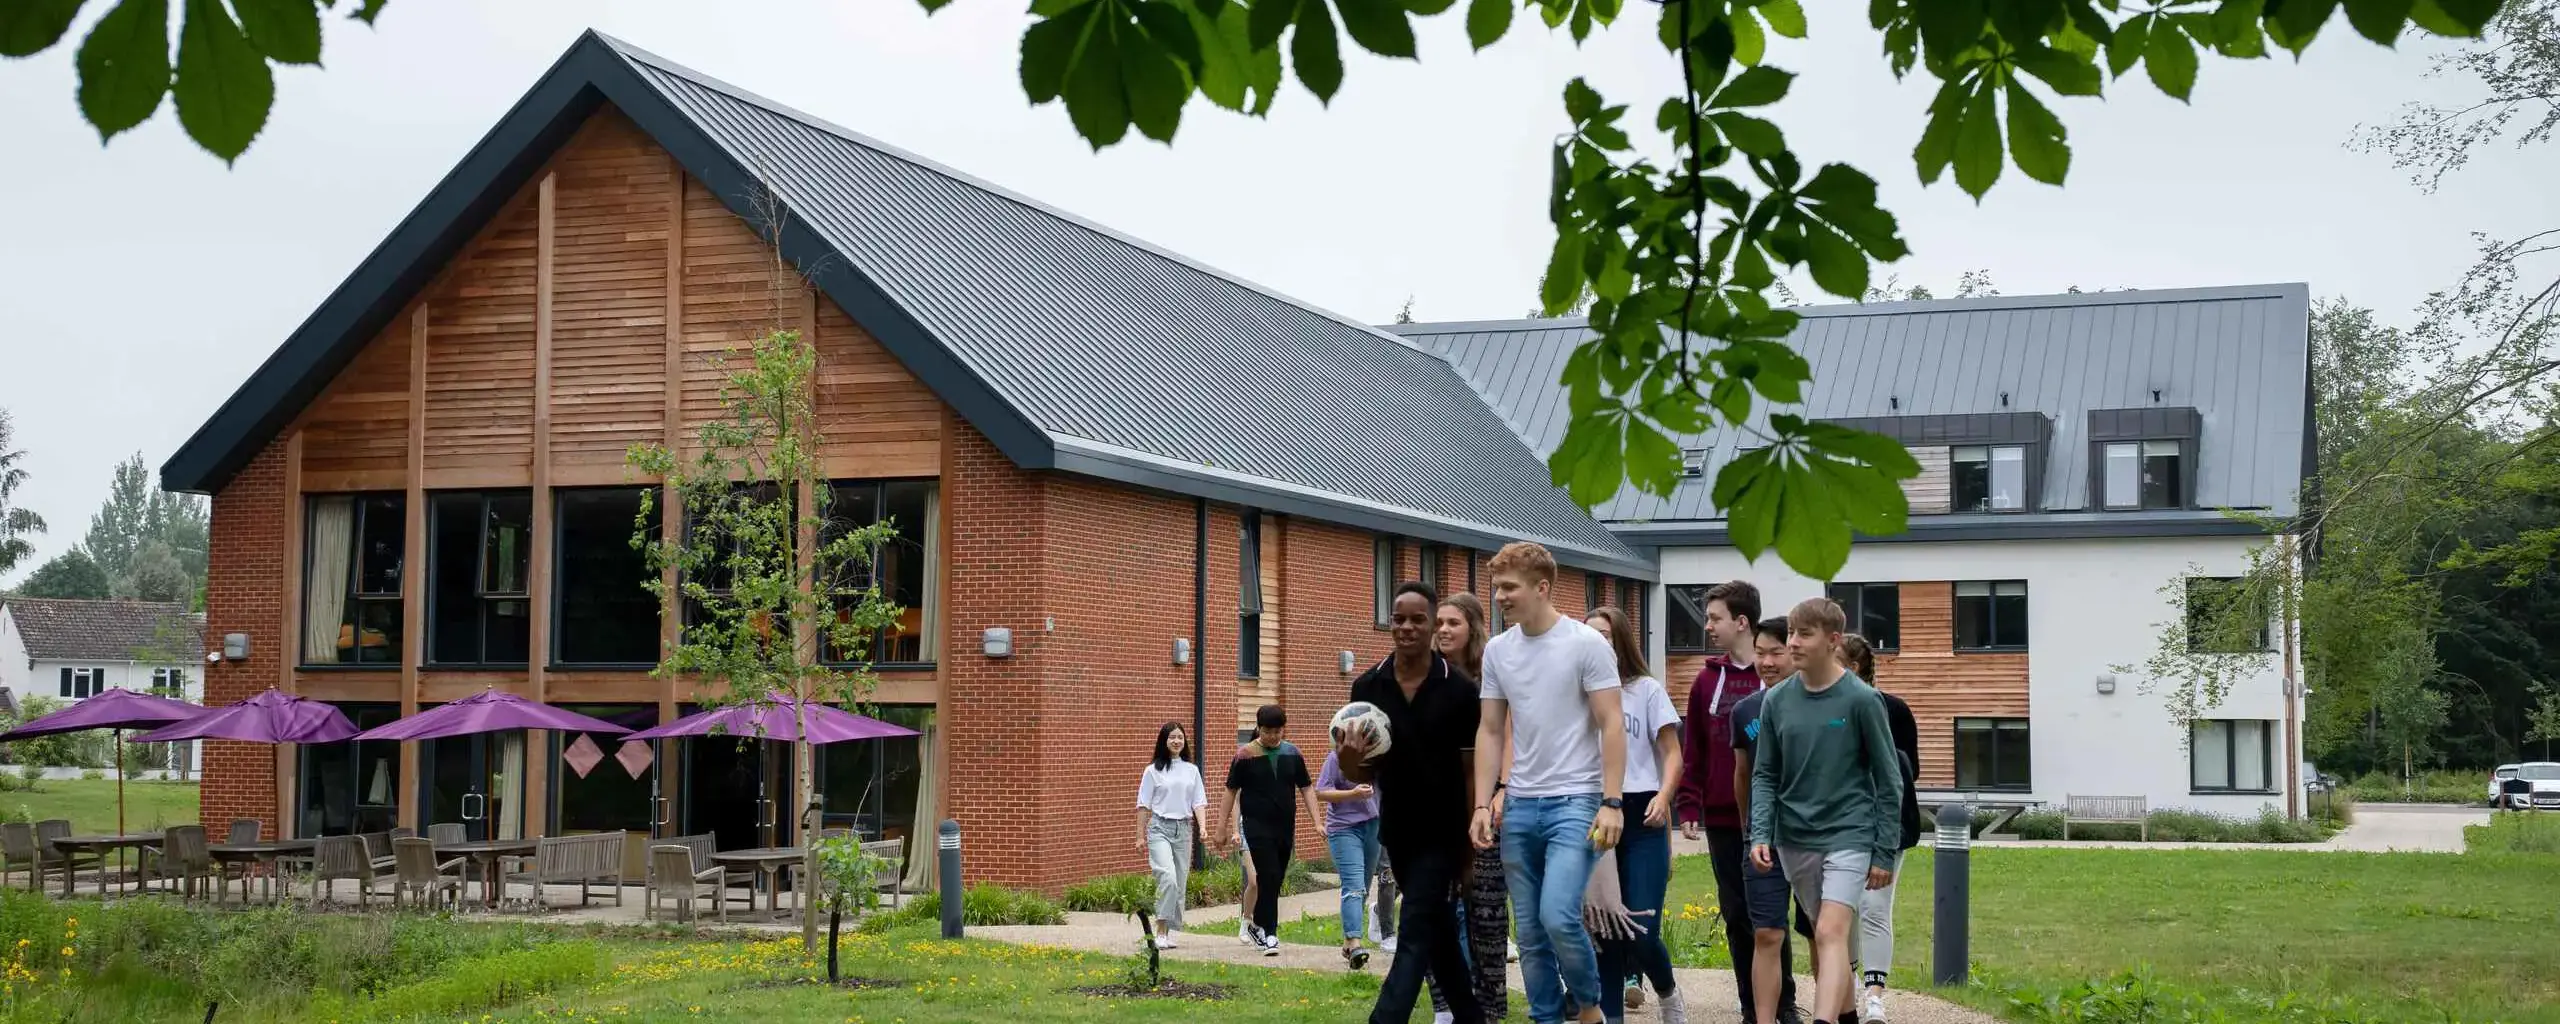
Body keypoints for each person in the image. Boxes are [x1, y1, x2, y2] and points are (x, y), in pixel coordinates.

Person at [1473, 542, 1627, 1024]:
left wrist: (1613, 801)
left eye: (1509, 588)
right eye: (1497, 588)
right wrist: (1482, 804)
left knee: (1558, 915)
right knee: (1533, 934)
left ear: (1542, 588)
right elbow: (1491, 729)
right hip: (1519, 805)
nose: (1499, 597)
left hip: (1577, 801)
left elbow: (1612, 723)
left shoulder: (1586, 644)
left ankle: (1588, 1005)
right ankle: (1546, 1018)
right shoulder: (1499, 651)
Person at [1749, 599, 1903, 1024]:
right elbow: (1764, 774)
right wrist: (1761, 832)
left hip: (1850, 833)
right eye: (1792, 633)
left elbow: (1890, 781)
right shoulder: (1776, 702)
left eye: (1804, 634)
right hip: (1794, 837)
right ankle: (1848, 1014)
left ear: (1833, 641)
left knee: (1831, 932)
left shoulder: (1862, 701)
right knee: (1825, 935)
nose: (1792, 643)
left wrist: (1883, 851)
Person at [1342, 581, 1486, 1024]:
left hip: (1444, 835)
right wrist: (1349, 762)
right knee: (1437, 934)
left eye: (1417, 619)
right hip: (1398, 833)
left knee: (1413, 932)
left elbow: (1469, 773)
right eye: (1398, 618)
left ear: (1431, 626)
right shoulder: (1369, 687)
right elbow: (1362, 774)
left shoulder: (1459, 689)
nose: (1406, 627)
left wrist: (1467, 851)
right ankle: (1472, 1017)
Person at [1674, 580, 1796, 1022]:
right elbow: (1696, 749)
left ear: (1741, 621)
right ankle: (1751, 1006)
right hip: (1726, 819)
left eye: (1715, 618)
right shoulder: (1707, 681)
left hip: (1787, 819)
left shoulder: (1785, 679)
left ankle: (1785, 1005)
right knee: (1739, 915)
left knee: (1777, 920)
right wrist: (1689, 804)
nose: (1708, 626)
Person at [1587, 605, 1687, 1024]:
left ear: (1621, 639)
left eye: (1605, 634)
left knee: (1642, 931)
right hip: (1593, 813)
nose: (1597, 641)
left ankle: (1666, 989)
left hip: (1643, 812)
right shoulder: (1577, 691)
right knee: (1607, 928)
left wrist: (1665, 797)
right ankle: (1612, 1016)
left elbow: (1672, 753)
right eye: (1589, 634)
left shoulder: (1645, 689)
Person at [1440, 590, 1512, 1021]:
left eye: (1453, 623)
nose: (1444, 631)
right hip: (1437, 810)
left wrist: (1500, 789)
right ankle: (1444, 1004)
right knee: (1436, 908)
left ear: (1474, 627)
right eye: (1439, 624)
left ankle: (1489, 1004)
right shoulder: (1426, 676)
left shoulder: (1494, 673)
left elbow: (1505, 734)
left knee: (1485, 912)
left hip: (1484, 807)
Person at [1839, 635, 1920, 1024]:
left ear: (1853, 667)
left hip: (1887, 827)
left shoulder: (1894, 711)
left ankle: (1875, 996)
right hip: (1840, 826)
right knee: (1844, 909)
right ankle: (1848, 983)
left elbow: (1908, 772)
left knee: (1874, 907)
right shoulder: (1825, 709)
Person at [1732, 617, 1804, 1024]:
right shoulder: (1745, 711)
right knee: (1766, 931)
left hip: (1815, 836)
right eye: (1760, 653)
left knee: (1820, 934)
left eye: (1776, 652)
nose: (1768, 661)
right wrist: (1750, 828)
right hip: (1763, 838)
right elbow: (1744, 774)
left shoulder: (1825, 703)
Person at [1225, 704, 1322, 956]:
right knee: (1266, 876)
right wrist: (1221, 827)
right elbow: (1231, 791)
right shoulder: (1244, 755)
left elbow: (1307, 788)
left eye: (1277, 731)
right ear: (1259, 728)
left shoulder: (1293, 753)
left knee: (1275, 879)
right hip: (1256, 826)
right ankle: (1270, 934)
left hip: (1284, 827)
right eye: (1268, 731)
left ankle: (1256, 925)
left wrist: (1317, 821)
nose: (1272, 736)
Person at [1136, 722, 1208, 949]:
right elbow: (1143, 805)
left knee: (1178, 883)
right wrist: (1139, 836)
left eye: (1180, 737)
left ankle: (1167, 932)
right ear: (1164, 741)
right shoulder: (1153, 770)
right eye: (1172, 737)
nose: (1176, 741)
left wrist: (1203, 827)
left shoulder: (1191, 770)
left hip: (1184, 830)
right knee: (1167, 877)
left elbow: (1198, 802)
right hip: (1159, 828)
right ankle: (1159, 931)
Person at [1317, 746, 1382, 970]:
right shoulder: (1336, 758)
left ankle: (1347, 943)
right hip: (1344, 829)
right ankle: (1355, 943)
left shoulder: (1378, 757)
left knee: (1363, 885)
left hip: (1373, 826)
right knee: (1354, 885)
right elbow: (1321, 791)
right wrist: (1352, 794)